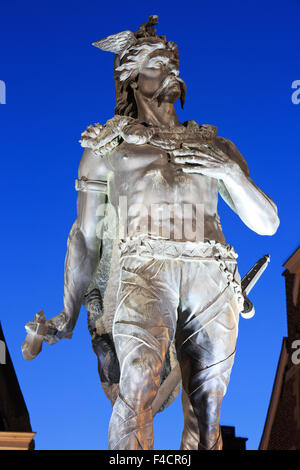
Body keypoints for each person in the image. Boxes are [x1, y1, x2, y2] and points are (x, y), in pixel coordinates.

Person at [24, 16, 279, 450]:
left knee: (208, 407)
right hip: (144, 268)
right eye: (160, 61)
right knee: (138, 378)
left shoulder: (216, 147)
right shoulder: (108, 148)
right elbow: (85, 236)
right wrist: (68, 310)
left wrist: (232, 174)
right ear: (131, 76)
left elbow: (268, 223)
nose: (172, 69)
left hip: (211, 272)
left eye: (174, 60)